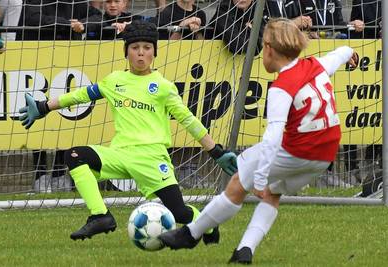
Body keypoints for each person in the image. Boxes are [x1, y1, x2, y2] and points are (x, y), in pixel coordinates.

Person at [158, 18, 359, 264]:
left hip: (297, 150)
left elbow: (273, 137)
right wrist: (352, 53)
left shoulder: (281, 87)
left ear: (269, 49)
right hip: (324, 155)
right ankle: (245, 250)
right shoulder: (316, 64)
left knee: (237, 183)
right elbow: (340, 53)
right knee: (273, 194)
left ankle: (191, 234)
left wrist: (260, 178)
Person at [18, 20, 237, 241]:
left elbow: (189, 120)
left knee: (179, 212)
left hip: (151, 159)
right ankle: (100, 216)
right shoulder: (114, 81)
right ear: (126, 52)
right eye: (135, 48)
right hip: (120, 155)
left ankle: (208, 225)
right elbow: (80, 95)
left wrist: (215, 152)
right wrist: (44, 106)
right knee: (75, 155)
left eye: (147, 48)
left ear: (154, 52)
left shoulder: (163, 87)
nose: (141, 53)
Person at [300, 0, 364, 39]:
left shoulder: (335, 1)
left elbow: (338, 24)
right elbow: (292, 25)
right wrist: (307, 34)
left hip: (330, 44)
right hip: (308, 45)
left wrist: (351, 25)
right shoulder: (298, 2)